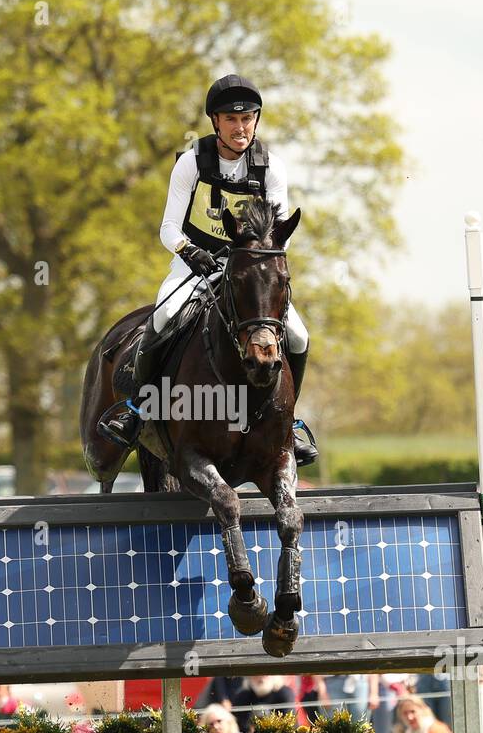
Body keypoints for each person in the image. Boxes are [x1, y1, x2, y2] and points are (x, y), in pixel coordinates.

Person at [95, 74, 318, 466]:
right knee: (162, 317)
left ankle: (290, 423)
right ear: (215, 122)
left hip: (245, 273)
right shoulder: (191, 163)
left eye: (247, 118)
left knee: (298, 335)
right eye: (231, 119)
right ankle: (136, 409)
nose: (240, 127)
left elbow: (280, 236)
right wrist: (189, 251)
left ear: (256, 120)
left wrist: (250, 260)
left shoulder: (271, 169)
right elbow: (168, 228)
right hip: (193, 266)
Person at [229, 675, 297, 733]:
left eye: (265, 674)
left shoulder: (284, 693)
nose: (261, 678)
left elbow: (289, 722)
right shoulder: (242, 696)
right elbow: (237, 723)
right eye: (256, 674)